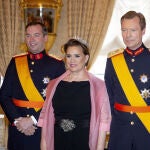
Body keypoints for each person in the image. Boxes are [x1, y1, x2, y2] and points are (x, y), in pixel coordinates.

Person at [0, 22, 65, 150]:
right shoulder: (16, 61)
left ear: (45, 38)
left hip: (41, 129)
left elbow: (60, 101)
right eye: (28, 35)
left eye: (36, 35)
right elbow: (4, 95)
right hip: (17, 130)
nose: (31, 39)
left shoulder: (57, 65)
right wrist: (18, 121)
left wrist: (33, 120)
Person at [38, 38, 111, 150]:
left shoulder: (98, 86)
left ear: (86, 58)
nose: (72, 60)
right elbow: (45, 121)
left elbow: (103, 123)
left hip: (83, 141)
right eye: (68, 56)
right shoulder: (53, 85)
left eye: (77, 56)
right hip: (59, 141)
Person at [104, 11, 150, 150]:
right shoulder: (113, 60)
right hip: (120, 130)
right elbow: (108, 95)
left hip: (145, 129)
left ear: (143, 31)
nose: (127, 35)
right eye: (124, 30)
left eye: (133, 30)